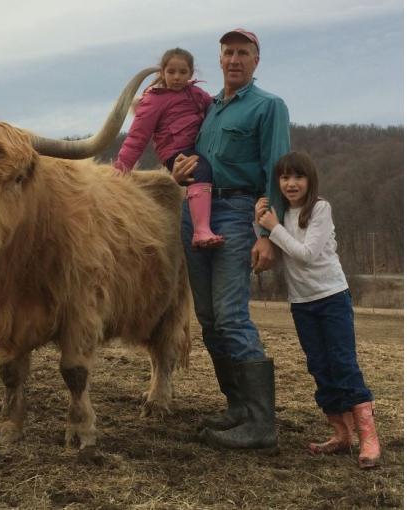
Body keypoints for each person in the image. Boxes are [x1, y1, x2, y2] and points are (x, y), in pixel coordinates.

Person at [171, 28, 290, 449]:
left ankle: (261, 425)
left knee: (231, 315)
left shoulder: (269, 106)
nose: (234, 59)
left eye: (243, 53)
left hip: (239, 213)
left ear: (256, 61)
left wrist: (268, 234)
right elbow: (194, 161)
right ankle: (238, 408)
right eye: (228, 53)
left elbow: (276, 171)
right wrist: (178, 173)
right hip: (196, 209)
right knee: (207, 318)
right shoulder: (210, 109)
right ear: (219, 60)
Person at [256, 151, 381, 469]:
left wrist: (273, 227)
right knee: (320, 367)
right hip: (302, 304)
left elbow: (307, 254)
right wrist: (260, 224)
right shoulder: (281, 214)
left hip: (331, 297)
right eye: (284, 177)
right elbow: (279, 252)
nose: (291, 183)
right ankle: (342, 434)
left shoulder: (320, 209)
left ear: (310, 180)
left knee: (343, 363)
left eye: (298, 177)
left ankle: (369, 437)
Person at [114, 48, 223, 248]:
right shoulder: (154, 100)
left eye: (183, 72)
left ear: (191, 73)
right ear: (162, 72)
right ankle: (201, 231)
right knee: (200, 170)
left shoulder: (196, 93)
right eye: (171, 72)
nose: (176, 77)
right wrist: (122, 167)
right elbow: (137, 137)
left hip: (196, 147)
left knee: (207, 167)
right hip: (176, 153)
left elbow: (215, 107)